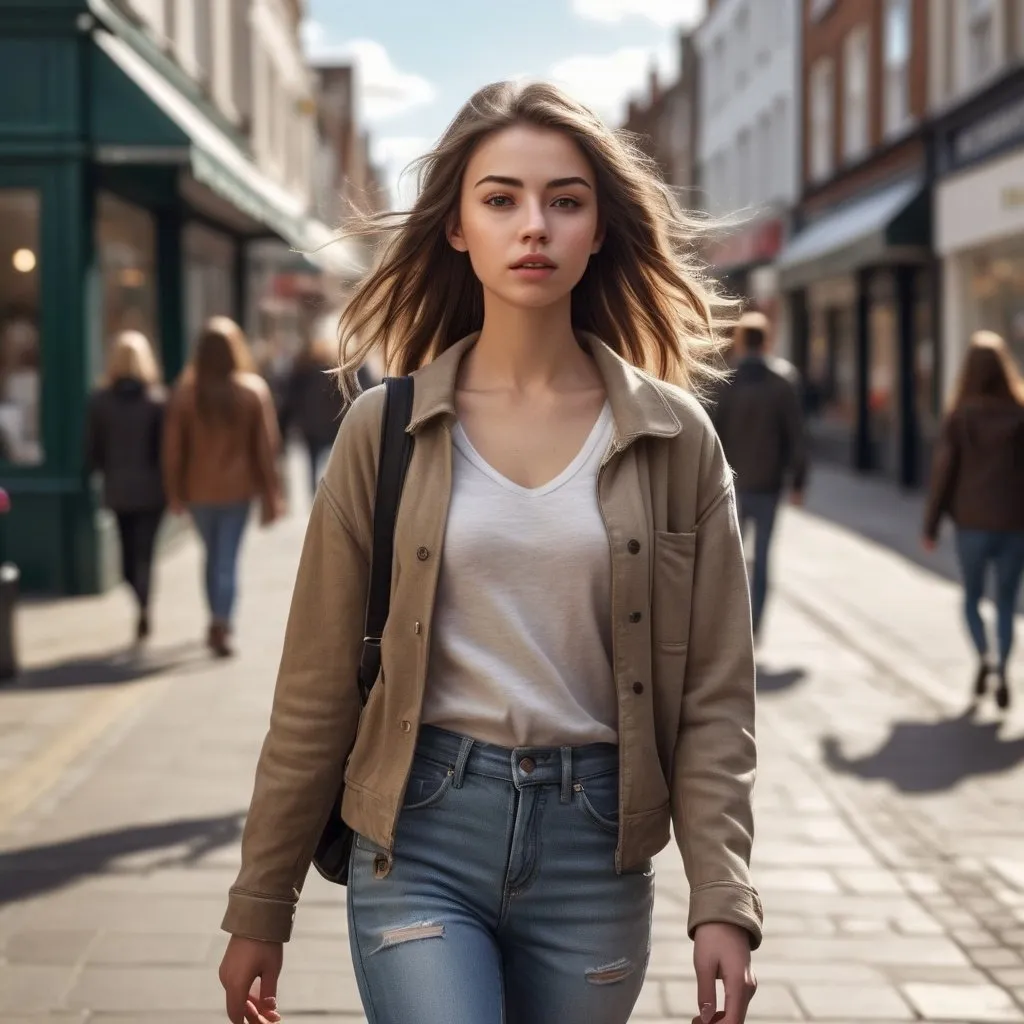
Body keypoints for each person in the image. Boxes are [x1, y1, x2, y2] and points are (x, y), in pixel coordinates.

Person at [218, 81, 761, 1024]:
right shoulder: (380, 432)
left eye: (566, 200)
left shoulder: (677, 440)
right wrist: (262, 902)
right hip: (420, 830)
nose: (534, 226)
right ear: (458, 227)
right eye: (501, 198)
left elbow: (716, 695)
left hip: (596, 850)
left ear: (600, 228)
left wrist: (723, 896)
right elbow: (312, 689)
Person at [163, 317, 283, 658]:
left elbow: (173, 451)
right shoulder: (252, 390)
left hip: (198, 490)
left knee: (212, 555)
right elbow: (266, 448)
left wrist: (174, 491)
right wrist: (272, 493)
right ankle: (222, 620)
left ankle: (216, 617)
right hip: (238, 490)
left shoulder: (185, 393)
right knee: (226, 556)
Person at [922, 330, 1024, 710]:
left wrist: (930, 526)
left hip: (973, 525)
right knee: (1007, 602)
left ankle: (983, 656)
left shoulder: (960, 417)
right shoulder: (1020, 415)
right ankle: (1002, 667)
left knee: (971, 599)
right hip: (1015, 525)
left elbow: (943, 476)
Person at [710, 310, 807, 639]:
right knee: (763, 557)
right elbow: (796, 435)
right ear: (766, 341)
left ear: (739, 341)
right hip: (768, 484)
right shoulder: (782, 382)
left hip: (730, 486)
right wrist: (799, 481)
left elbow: (711, 435)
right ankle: (755, 625)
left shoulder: (724, 382)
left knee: (729, 558)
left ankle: (729, 623)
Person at [85, 331, 166, 642]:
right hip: (151, 490)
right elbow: (165, 451)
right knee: (145, 554)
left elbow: (92, 449)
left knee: (128, 558)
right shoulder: (156, 400)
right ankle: (144, 604)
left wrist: (97, 471)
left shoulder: (100, 401)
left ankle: (141, 601)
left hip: (119, 488)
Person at [280, 338, 379, 498]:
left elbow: (291, 400)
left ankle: (321, 497)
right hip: (325, 425)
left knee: (322, 464)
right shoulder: (316, 369)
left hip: (318, 425)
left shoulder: (307, 369)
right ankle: (324, 497)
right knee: (331, 463)